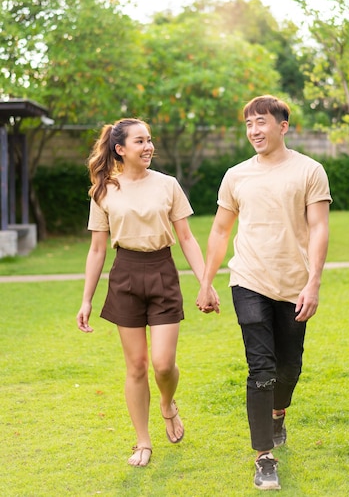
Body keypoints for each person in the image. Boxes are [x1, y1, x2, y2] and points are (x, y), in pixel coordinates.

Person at [197, 95, 332, 491]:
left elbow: (320, 227)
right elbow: (221, 230)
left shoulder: (310, 170)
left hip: (294, 283)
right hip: (249, 280)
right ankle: (264, 457)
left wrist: (314, 281)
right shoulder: (236, 175)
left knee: (290, 367)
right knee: (261, 369)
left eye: (261, 122)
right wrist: (207, 280)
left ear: (283, 126)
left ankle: (278, 414)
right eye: (248, 124)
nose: (254, 130)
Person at [76, 117, 218, 468]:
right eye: (140, 141)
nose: (148, 146)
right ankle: (143, 441)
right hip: (124, 274)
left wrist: (205, 282)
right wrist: (86, 299)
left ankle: (167, 403)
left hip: (162, 272)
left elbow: (186, 237)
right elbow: (97, 249)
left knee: (163, 363)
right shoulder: (104, 190)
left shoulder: (168, 184)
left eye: (150, 140)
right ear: (120, 149)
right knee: (137, 366)